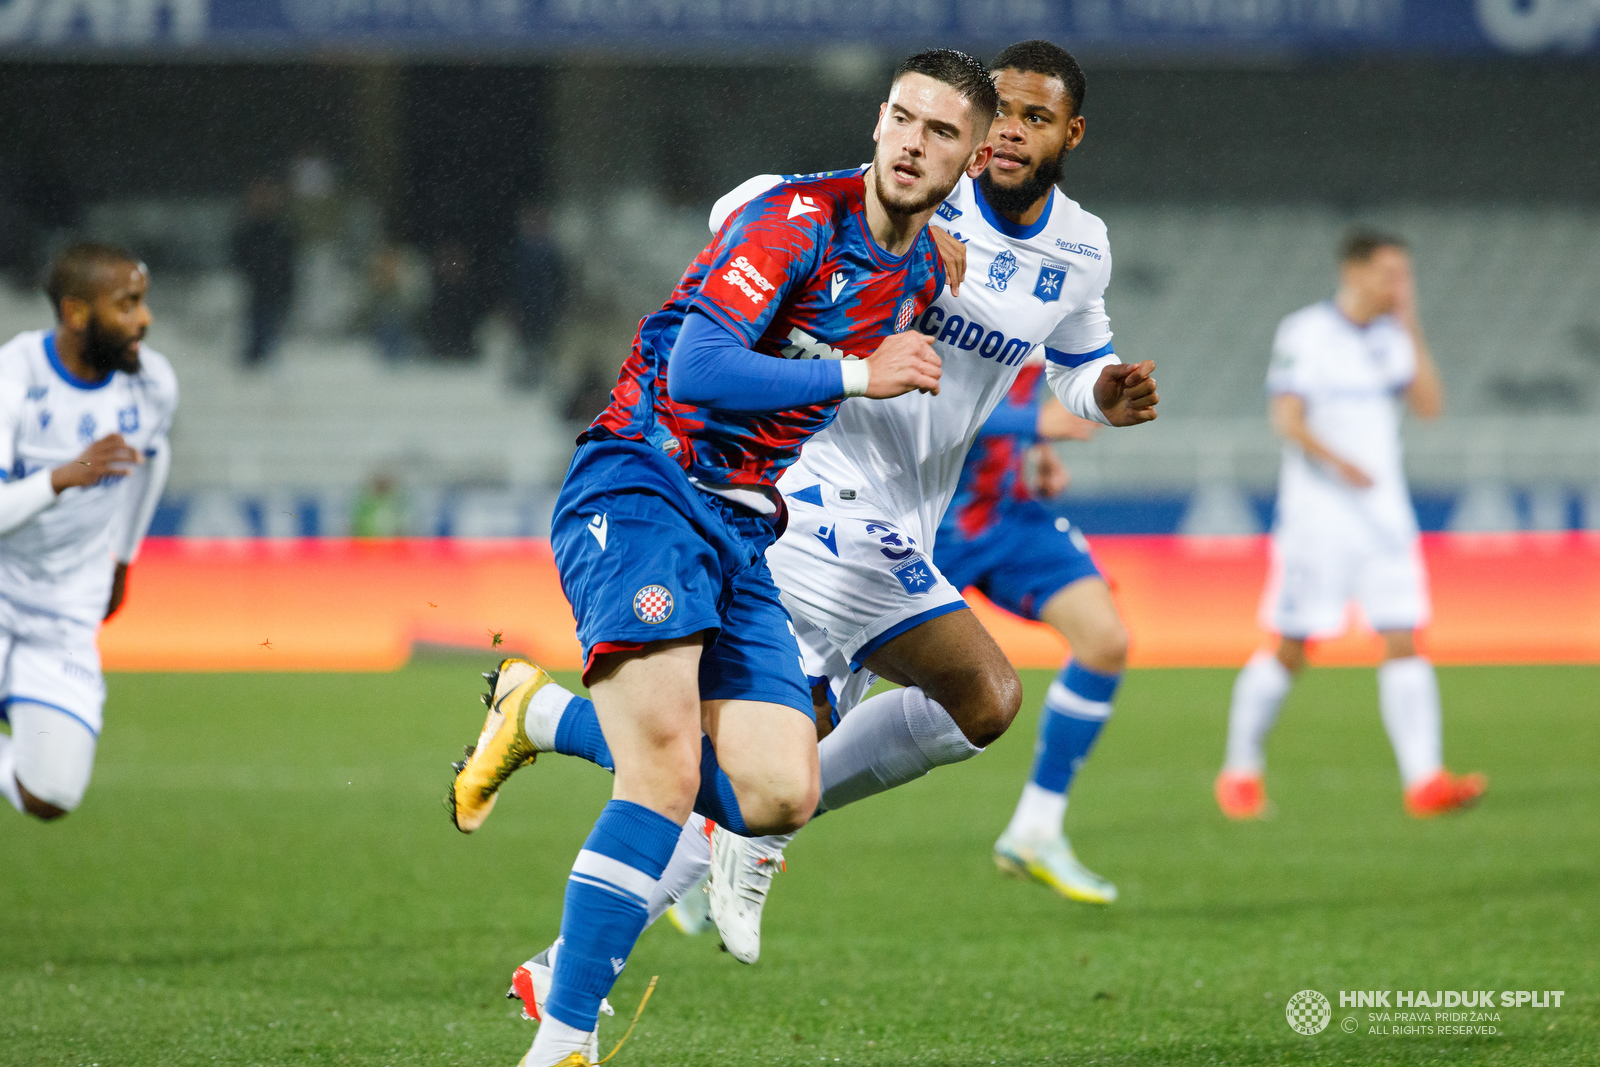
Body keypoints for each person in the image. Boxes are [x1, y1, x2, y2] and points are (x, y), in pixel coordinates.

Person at [491, 40, 1159, 1003]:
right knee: (985, 693)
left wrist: (1105, 395)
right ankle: (699, 858)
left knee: (769, 760)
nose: (1007, 131)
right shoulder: (922, 199)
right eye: (997, 114)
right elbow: (763, 218)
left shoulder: (1081, 249)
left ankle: (564, 925)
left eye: (1034, 118)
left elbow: (1077, 364)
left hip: (909, 511)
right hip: (812, 486)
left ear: (1071, 135)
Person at [447, 50, 997, 1067]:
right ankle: (563, 1039)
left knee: (779, 793)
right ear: (877, 123)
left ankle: (537, 712)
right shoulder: (793, 219)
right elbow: (699, 364)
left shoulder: (919, 271)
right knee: (662, 773)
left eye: (942, 133)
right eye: (903, 120)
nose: (915, 144)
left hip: (745, 526)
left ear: (968, 160)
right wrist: (856, 375)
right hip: (646, 482)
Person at [1214, 230, 1485, 821]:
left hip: (1385, 519)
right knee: (1291, 647)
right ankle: (1239, 771)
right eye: (1391, 274)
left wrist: (1410, 322)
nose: (1399, 286)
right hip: (1319, 520)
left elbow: (1431, 406)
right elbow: (1287, 418)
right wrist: (1342, 466)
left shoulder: (1391, 338)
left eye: (1405, 276)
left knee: (1404, 637)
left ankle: (1425, 780)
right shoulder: (1306, 333)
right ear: (1355, 273)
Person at [933, 356, 1127, 903]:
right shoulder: (934, 282)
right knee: (829, 695)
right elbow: (914, 397)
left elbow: (1012, 382)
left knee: (1104, 641)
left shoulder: (1048, 284)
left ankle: (1036, 830)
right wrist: (1033, 426)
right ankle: (702, 835)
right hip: (921, 518)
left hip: (1006, 516)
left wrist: (1033, 453)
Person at [0, 243, 177, 822]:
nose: (144, 320)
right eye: (127, 305)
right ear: (76, 313)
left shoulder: (152, 385)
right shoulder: (14, 376)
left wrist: (123, 560)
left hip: (64, 610)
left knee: (50, 797)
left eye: (142, 303)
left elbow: (153, 461)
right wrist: (62, 476)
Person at [232, 178, 295, 369]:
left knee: (269, 323)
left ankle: (262, 358)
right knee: (257, 322)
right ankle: (255, 359)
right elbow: (240, 257)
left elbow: (287, 260)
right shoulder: (248, 230)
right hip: (258, 285)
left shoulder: (280, 230)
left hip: (274, 285)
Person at [508, 204, 569, 388]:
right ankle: (525, 376)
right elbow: (512, 280)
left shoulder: (552, 250)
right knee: (524, 344)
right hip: (525, 305)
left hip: (545, 305)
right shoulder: (519, 249)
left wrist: (559, 304)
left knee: (544, 344)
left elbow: (560, 281)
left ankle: (542, 378)